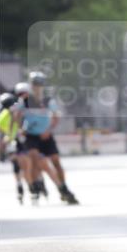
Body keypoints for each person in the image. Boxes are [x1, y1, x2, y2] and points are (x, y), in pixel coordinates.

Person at [14, 71, 79, 205]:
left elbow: (56, 117)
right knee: (34, 159)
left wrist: (48, 130)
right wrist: (21, 128)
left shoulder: (48, 100)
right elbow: (16, 116)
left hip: (46, 135)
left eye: (39, 84)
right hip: (31, 135)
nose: (37, 87)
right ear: (31, 85)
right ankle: (34, 187)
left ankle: (63, 188)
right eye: (35, 84)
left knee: (56, 162)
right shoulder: (25, 100)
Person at [0, 92, 26, 204]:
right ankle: (19, 185)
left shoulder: (18, 111)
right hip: (12, 141)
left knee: (24, 162)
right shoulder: (2, 115)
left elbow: (22, 125)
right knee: (16, 163)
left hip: (21, 139)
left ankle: (34, 181)